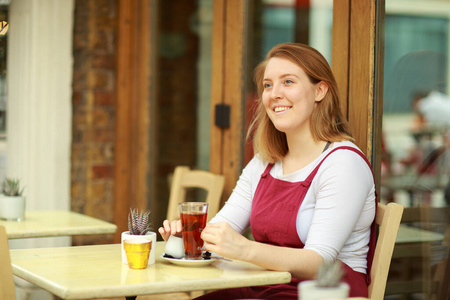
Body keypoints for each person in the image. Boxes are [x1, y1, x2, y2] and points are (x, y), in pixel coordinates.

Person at [159, 43, 377, 299]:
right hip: (264, 287)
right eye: (268, 85)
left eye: (288, 82)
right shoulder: (264, 162)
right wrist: (189, 237)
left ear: (320, 90)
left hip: (321, 292)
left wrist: (244, 249)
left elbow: (319, 263)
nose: (274, 94)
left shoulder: (342, 164)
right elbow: (222, 229)